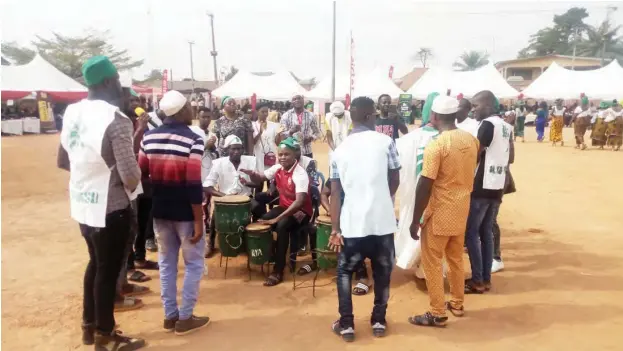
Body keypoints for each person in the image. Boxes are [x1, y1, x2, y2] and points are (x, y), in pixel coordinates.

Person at [57, 55, 145, 349]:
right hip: (112, 208)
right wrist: (121, 182)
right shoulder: (114, 118)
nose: (120, 88)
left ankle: (88, 325)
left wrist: (91, 175)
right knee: (107, 271)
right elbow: (131, 174)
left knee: (95, 264)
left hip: (83, 203)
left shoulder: (73, 113)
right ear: (108, 82)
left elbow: (63, 159)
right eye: (118, 81)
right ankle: (106, 336)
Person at [328, 96, 400, 342]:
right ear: (371, 116)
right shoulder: (386, 142)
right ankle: (378, 321)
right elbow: (395, 179)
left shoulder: (339, 149)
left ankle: (346, 324)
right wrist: (381, 197)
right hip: (383, 223)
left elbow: (335, 192)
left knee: (345, 272)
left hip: (352, 224)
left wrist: (335, 228)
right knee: (383, 273)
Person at [138, 90, 210, 335]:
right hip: (186, 213)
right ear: (180, 112)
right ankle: (186, 317)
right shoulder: (194, 139)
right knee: (193, 264)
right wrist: (199, 221)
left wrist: (161, 188)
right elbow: (193, 183)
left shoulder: (148, 138)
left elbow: (141, 174)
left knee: (167, 264)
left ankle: (170, 316)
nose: (193, 110)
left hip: (160, 211)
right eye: (189, 107)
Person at [405, 95, 478, 327]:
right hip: (462, 209)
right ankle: (457, 303)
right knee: (456, 259)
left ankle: (437, 312)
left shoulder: (436, 145)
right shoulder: (471, 140)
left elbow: (425, 183)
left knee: (433, 262)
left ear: (433, 116)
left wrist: (415, 219)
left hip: (440, 212)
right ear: (456, 114)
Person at [240, 137, 314, 287]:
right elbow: (261, 177)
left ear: (295, 155)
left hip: (301, 212)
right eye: (280, 154)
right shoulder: (278, 168)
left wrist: (277, 218)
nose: (282, 157)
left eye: (286, 154)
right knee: (263, 220)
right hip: (286, 207)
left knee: (281, 226)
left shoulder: (300, 174)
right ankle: (272, 255)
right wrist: (252, 174)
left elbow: (299, 202)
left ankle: (278, 270)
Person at [464, 90, 514, 294]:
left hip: (482, 185)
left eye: (475, 106)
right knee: (486, 232)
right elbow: (510, 157)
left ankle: (477, 279)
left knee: (471, 233)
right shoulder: (506, 126)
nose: (473, 110)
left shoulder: (487, 125)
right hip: (498, 185)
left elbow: (475, 154)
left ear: (487, 105)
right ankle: (485, 279)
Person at [203, 134, 264, 219]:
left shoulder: (250, 161)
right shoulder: (219, 163)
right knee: (216, 221)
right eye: (233, 149)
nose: (236, 151)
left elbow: (258, 184)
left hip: (245, 198)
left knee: (258, 208)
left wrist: (247, 183)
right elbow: (206, 186)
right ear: (228, 149)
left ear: (242, 149)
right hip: (225, 199)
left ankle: (253, 229)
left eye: (239, 149)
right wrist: (224, 196)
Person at [252, 102, 280, 174]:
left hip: (272, 156)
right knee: (259, 179)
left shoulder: (274, 125)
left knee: (272, 178)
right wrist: (260, 132)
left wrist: (279, 134)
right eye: (262, 112)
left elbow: (277, 143)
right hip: (259, 156)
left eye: (266, 112)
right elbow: (253, 143)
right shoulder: (253, 125)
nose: (265, 114)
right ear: (257, 112)